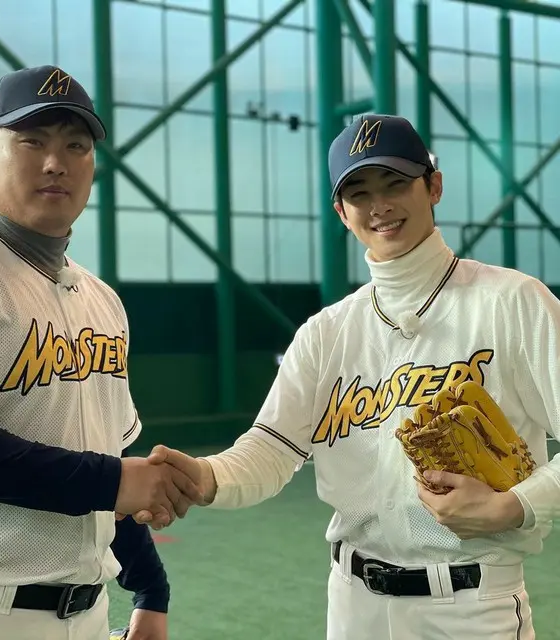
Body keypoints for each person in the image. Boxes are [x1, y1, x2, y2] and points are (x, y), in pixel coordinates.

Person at [137, 114, 560, 639]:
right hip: (353, 604)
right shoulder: (326, 332)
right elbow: (271, 450)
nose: (379, 204)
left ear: (434, 186)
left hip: (471, 606)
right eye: (359, 192)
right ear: (342, 212)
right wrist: (205, 477)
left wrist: (515, 506)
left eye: (395, 183)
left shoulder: (513, 302)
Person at [0, 65, 203, 640]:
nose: (56, 163)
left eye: (76, 146)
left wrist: (150, 590)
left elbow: (110, 458)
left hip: (87, 612)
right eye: (32, 141)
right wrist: (111, 480)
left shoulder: (103, 299)